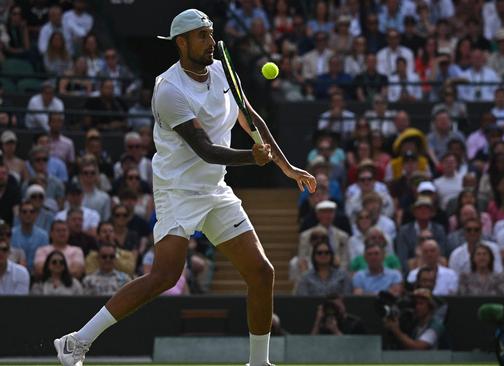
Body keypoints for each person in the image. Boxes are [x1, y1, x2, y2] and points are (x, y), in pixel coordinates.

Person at [54, 10, 316, 366]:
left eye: (211, 34)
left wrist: (286, 167)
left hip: (215, 189)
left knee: (261, 272)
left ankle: (258, 363)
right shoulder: (169, 90)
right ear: (182, 42)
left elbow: (250, 118)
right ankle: (75, 342)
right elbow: (206, 149)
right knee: (164, 276)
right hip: (178, 189)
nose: (211, 42)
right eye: (202, 36)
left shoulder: (223, 71)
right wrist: (251, 158)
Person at [11, 201, 49, 272]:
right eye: (24, 212)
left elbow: (44, 259)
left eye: (31, 212)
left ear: (36, 215)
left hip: (37, 274)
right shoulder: (11, 234)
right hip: (15, 273)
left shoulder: (43, 236)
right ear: (19, 215)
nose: (28, 214)